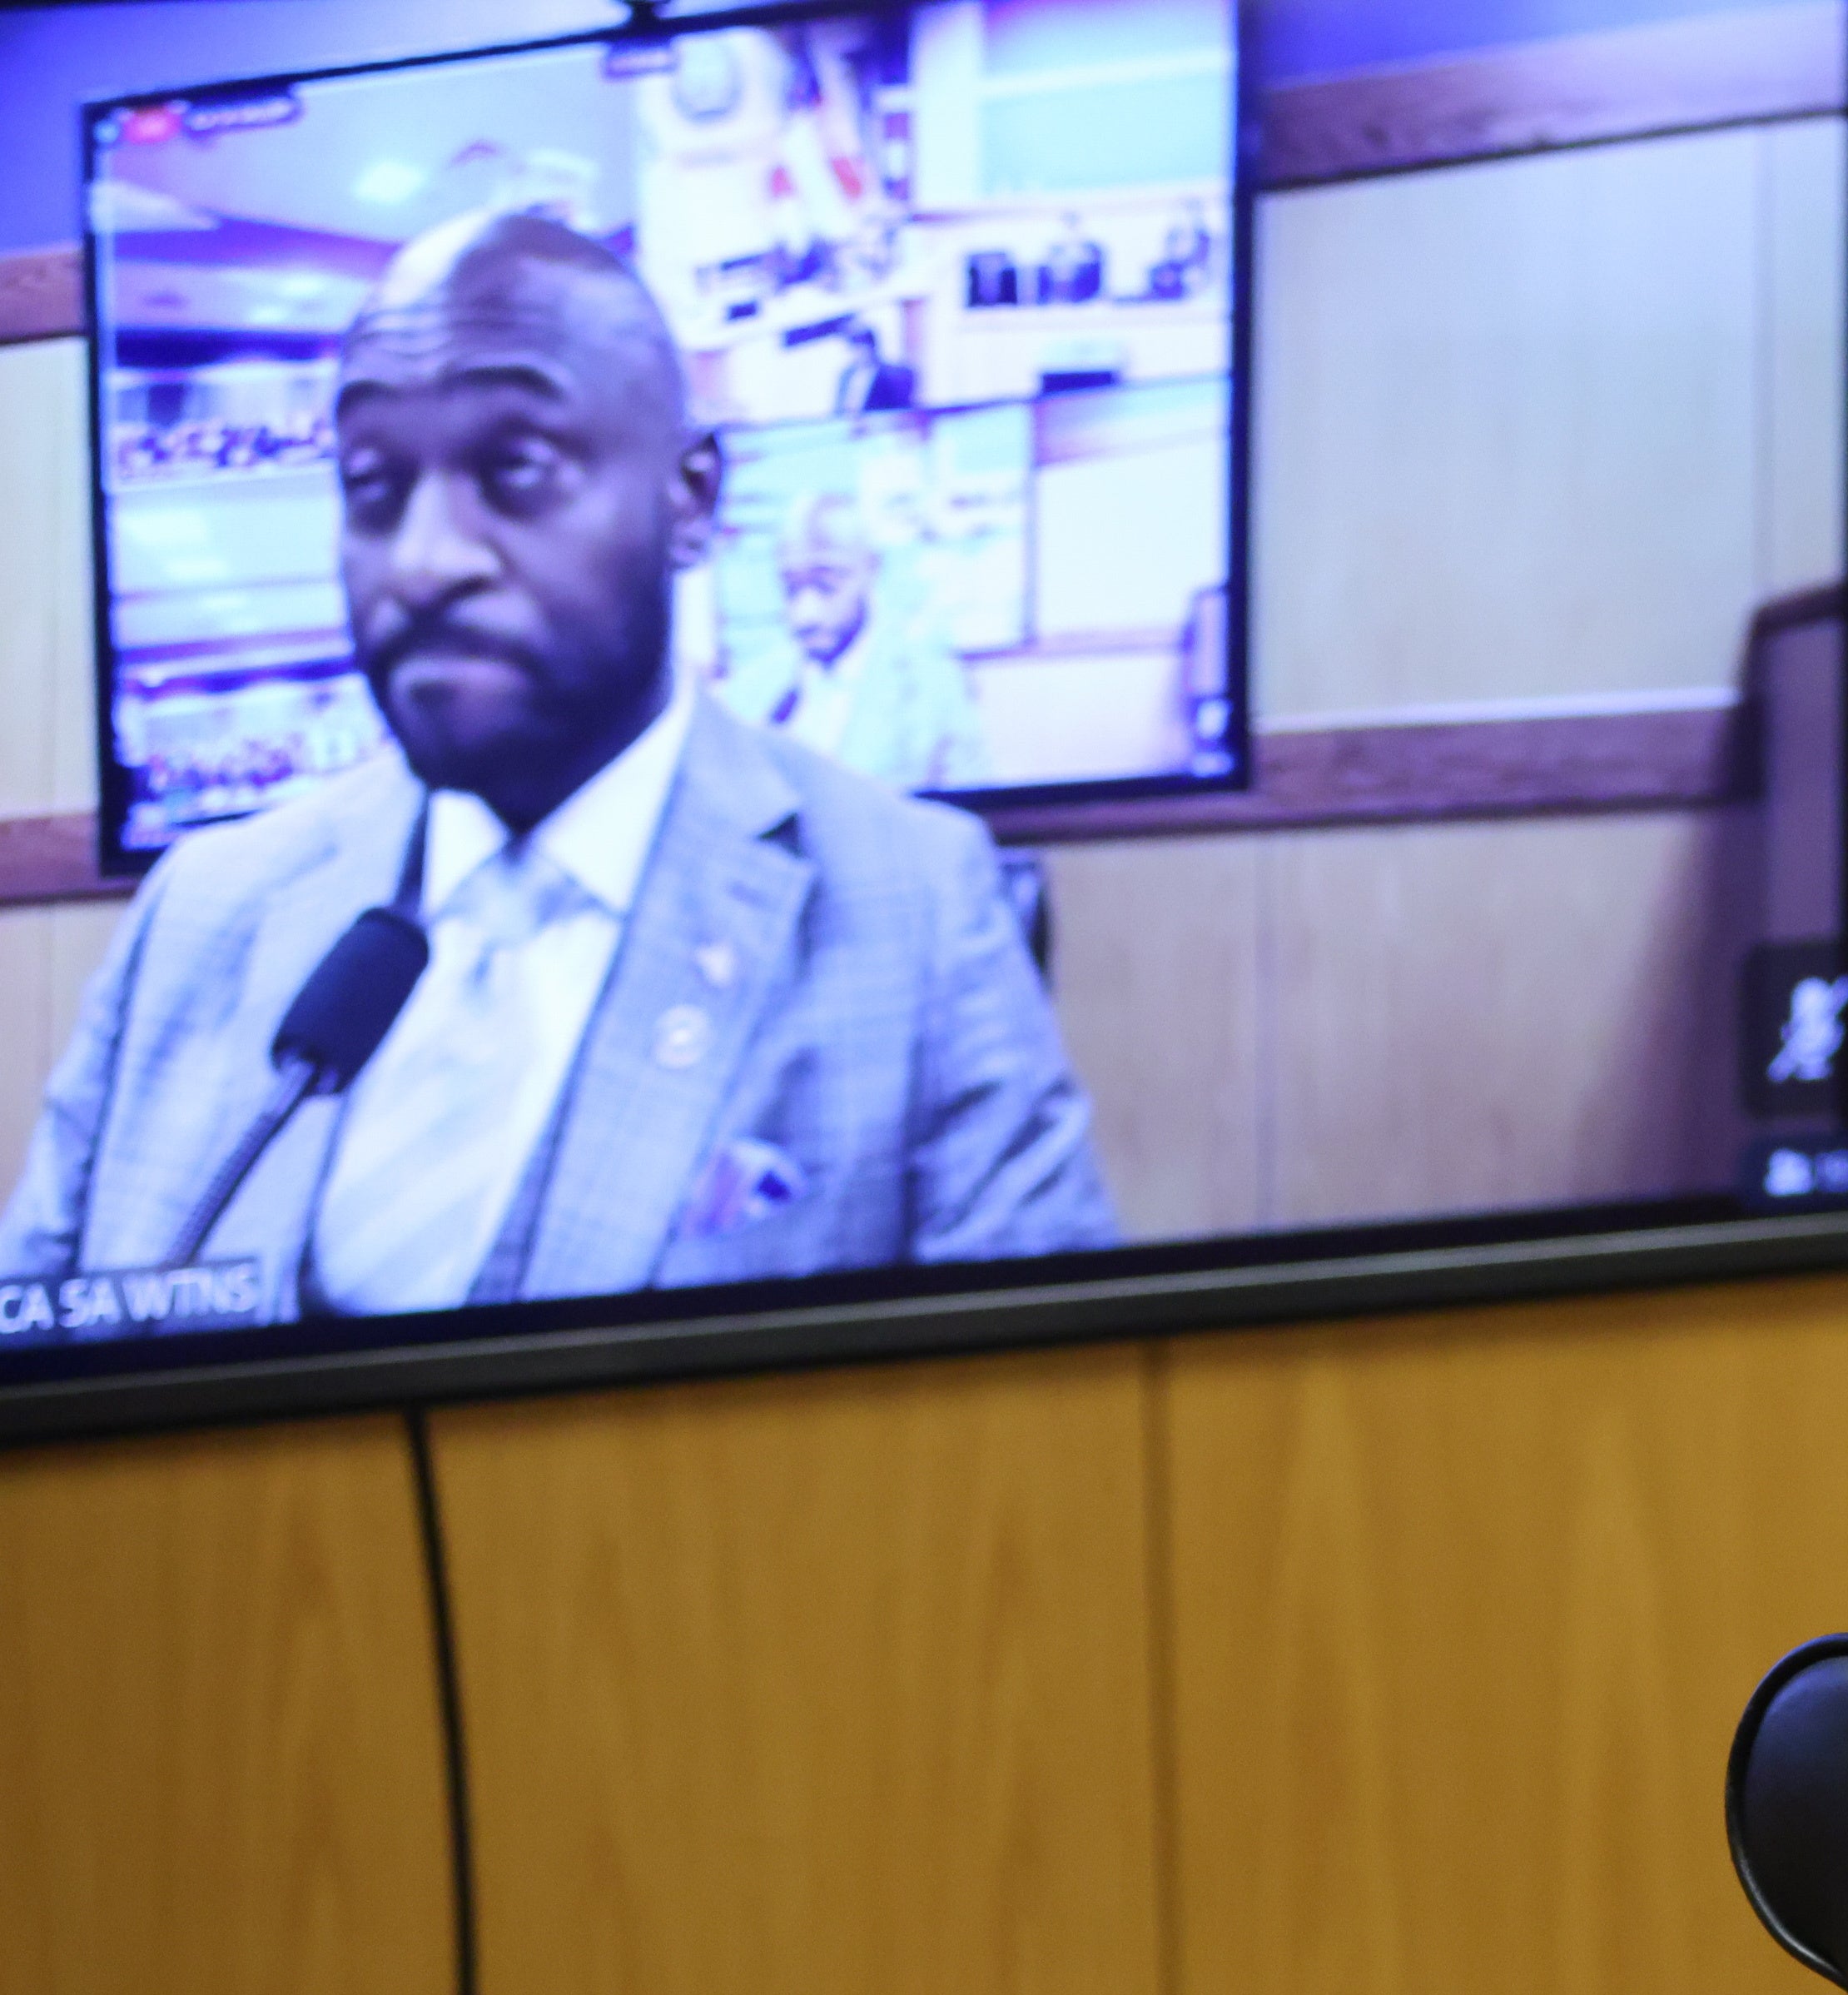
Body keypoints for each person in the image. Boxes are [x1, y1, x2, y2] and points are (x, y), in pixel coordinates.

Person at [1, 211, 1106, 1326]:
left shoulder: (920, 909)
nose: (426, 560)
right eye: (373, 482)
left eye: (517, 469)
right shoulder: (202, 917)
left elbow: (1039, 1451)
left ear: (690, 500)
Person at [745, 486, 986, 792]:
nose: (804, 615)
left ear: (871, 569)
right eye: (791, 588)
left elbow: (973, 820)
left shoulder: (936, 688)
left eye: (826, 586)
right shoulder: (749, 692)